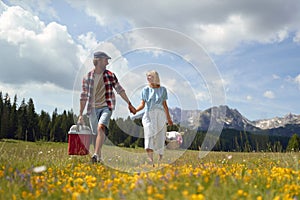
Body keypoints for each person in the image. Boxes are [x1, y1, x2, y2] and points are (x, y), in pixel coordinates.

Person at [78, 51, 136, 163]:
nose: (107, 62)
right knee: (95, 134)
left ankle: (95, 154)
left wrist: (129, 103)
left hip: (107, 106)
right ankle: (98, 157)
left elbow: (120, 89)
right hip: (92, 109)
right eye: (106, 60)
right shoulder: (88, 77)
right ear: (98, 60)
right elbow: (83, 96)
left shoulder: (110, 75)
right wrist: (80, 114)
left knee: (101, 128)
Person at [133, 70, 173, 166]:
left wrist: (169, 118)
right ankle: (151, 160)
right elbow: (142, 105)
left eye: (150, 76)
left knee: (160, 136)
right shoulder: (145, 90)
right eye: (147, 76)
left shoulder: (163, 90)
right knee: (149, 134)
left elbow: (165, 105)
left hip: (160, 115)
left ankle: (160, 160)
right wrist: (135, 110)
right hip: (149, 114)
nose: (148, 78)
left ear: (155, 77)